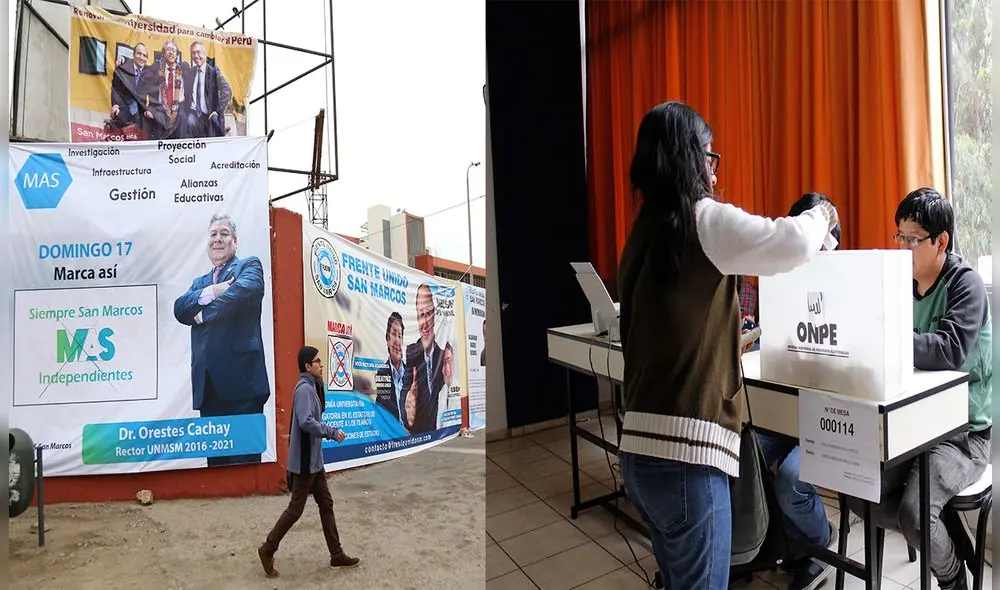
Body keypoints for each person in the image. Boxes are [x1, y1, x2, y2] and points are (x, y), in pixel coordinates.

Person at [616, 101, 839, 589]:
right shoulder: (704, 220)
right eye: (709, 156)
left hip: (639, 453)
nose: (714, 172)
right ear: (690, 158)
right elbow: (790, 241)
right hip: (686, 458)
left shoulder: (642, 236)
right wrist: (823, 214)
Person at [848, 188, 991, 590]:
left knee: (914, 515)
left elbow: (948, 351)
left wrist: (886, 335)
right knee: (862, 492)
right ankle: (944, 531)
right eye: (899, 236)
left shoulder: (965, 285)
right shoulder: (900, 285)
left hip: (964, 433)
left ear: (941, 241)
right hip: (912, 423)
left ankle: (952, 578)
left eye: (913, 239)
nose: (903, 246)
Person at [752, 192, 843, 590]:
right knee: (746, 451)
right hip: (787, 411)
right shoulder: (782, 285)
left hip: (830, 416)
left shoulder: (847, 286)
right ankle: (782, 539)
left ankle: (819, 544)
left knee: (791, 477)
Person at [173, 214, 270, 466]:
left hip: (243, 388)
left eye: (224, 234)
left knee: (245, 470)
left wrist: (203, 314)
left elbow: (241, 293)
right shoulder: (199, 283)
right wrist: (212, 292)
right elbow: (180, 309)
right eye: (213, 234)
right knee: (217, 470)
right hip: (209, 390)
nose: (218, 239)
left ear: (235, 241)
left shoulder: (249, 266)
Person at [258, 346, 360, 577]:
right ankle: (267, 548)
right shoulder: (304, 389)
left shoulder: (313, 387)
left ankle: (336, 555)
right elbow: (306, 421)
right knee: (295, 510)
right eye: (317, 362)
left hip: (315, 462)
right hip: (305, 463)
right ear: (307, 366)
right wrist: (331, 431)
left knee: (326, 504)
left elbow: (316, 413)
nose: (321, 365)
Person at [401, 284, 444, 434]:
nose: (424, 323)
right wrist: (408, 404)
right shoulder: (412, 353)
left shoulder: (444, 357)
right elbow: (404, 391)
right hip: (420, 437)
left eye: (428, 314)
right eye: (420, 315)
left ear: (435, 315)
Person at [182, 41, 232, 138]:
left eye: (198, 52)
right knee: (188, 121)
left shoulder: (214, 72)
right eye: (193, 53)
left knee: (214, 121)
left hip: (209, 114)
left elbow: (227, 91)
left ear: (205, 54)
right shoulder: (190, 73)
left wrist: (217, 110)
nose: (196, 56)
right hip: (194, 114)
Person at [108, 42, 155, 136]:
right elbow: (115, 88)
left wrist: (149, 110)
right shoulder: (122, 69)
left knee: (150, 125)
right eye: (139, 53)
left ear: (146, 59)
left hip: (140, 110)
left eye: (144, 55)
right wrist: (115, 105)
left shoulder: (149, 73)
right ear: (133, 55)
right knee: (120, 120)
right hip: (124, 107)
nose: (141, 57)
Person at [374, 312, 406, 424]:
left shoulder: (411, 373)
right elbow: (385, 407)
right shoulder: (382, 373)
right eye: (394, 334)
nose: (397, 341)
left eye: (400, 336)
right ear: (387, 339)